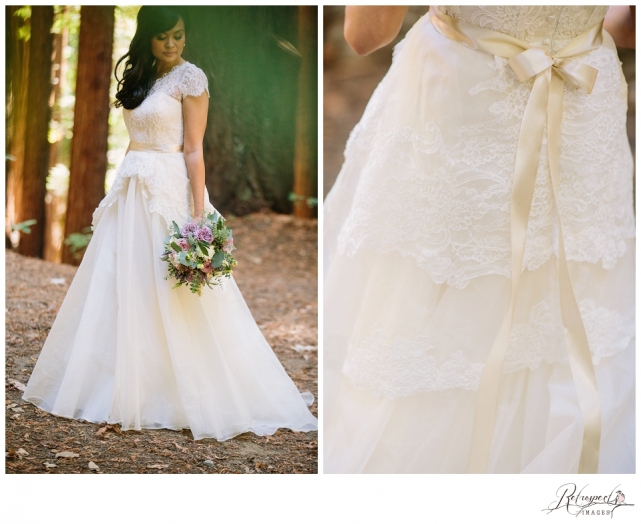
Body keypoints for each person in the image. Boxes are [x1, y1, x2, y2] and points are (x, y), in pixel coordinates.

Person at [324, 6, 634, 473]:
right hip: (584, 91)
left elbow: (366, 33)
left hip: (467, 96)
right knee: (577, 293)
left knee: (447, 286)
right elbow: (626, 24)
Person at [23, 6, 318, 442]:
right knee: (125, 283)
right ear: (148, 38)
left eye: (178, 35)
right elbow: (133, 142)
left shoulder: (190, 79)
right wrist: (114, 191)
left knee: (170, 287)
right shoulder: (142, 77)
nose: (172, 43)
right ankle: (123, 384)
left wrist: (198, 214)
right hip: (133, 188)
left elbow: (194, 149)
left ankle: (185, 388)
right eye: (163, 36)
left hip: (169, 188)